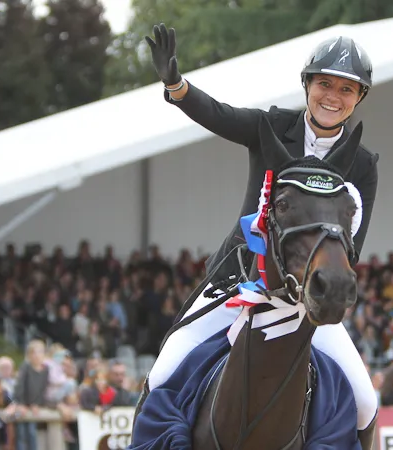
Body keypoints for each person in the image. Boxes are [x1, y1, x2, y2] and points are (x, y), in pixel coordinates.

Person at [142, 24, 380, 444]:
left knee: (364, 400)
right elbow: (219, 114)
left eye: (346, 89)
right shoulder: (272, 127)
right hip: (239, 278)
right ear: (307, 84)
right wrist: (176, 86)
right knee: (163, 371)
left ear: (358, 97)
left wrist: (313, 289)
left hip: (308, 295)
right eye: (324, 83)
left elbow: (351, 245)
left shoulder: (361, 164)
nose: (332, 96)